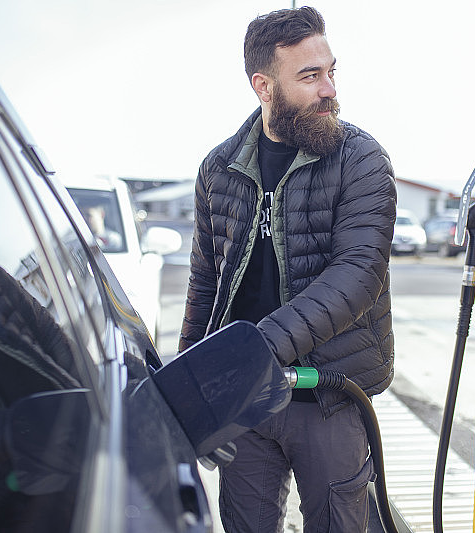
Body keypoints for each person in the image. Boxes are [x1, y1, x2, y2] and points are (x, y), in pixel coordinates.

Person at [179, 6, 396, 532]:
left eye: (330, 71)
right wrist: (190, 383)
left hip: (329, 396)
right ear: (264, 86)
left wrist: (256, 349)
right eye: (309, 75)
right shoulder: (219, 167)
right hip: (248, 405)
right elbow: (206, 280)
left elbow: (359, 273)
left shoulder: (361, 159)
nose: (329, 90)